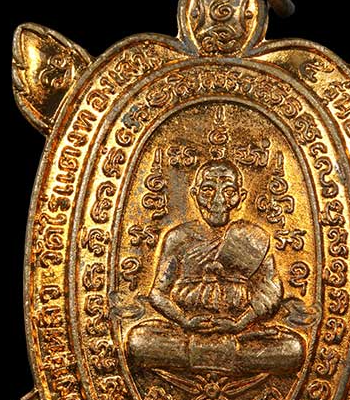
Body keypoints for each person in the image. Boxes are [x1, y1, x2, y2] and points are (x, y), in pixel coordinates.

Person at [126, 159, 305, 376]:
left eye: (228, 191)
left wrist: (240, 323)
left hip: (240, 331)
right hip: (186, 330)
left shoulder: (254, 238)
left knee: (293, 348)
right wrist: (184, 320)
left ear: (240, 197)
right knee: (137, 341)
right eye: (208, 190)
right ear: (195, 194)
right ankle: (229, 358)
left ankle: (202, 356)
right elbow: (157, 293)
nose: (218, 200)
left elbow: (270, 292)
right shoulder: (178, 237)